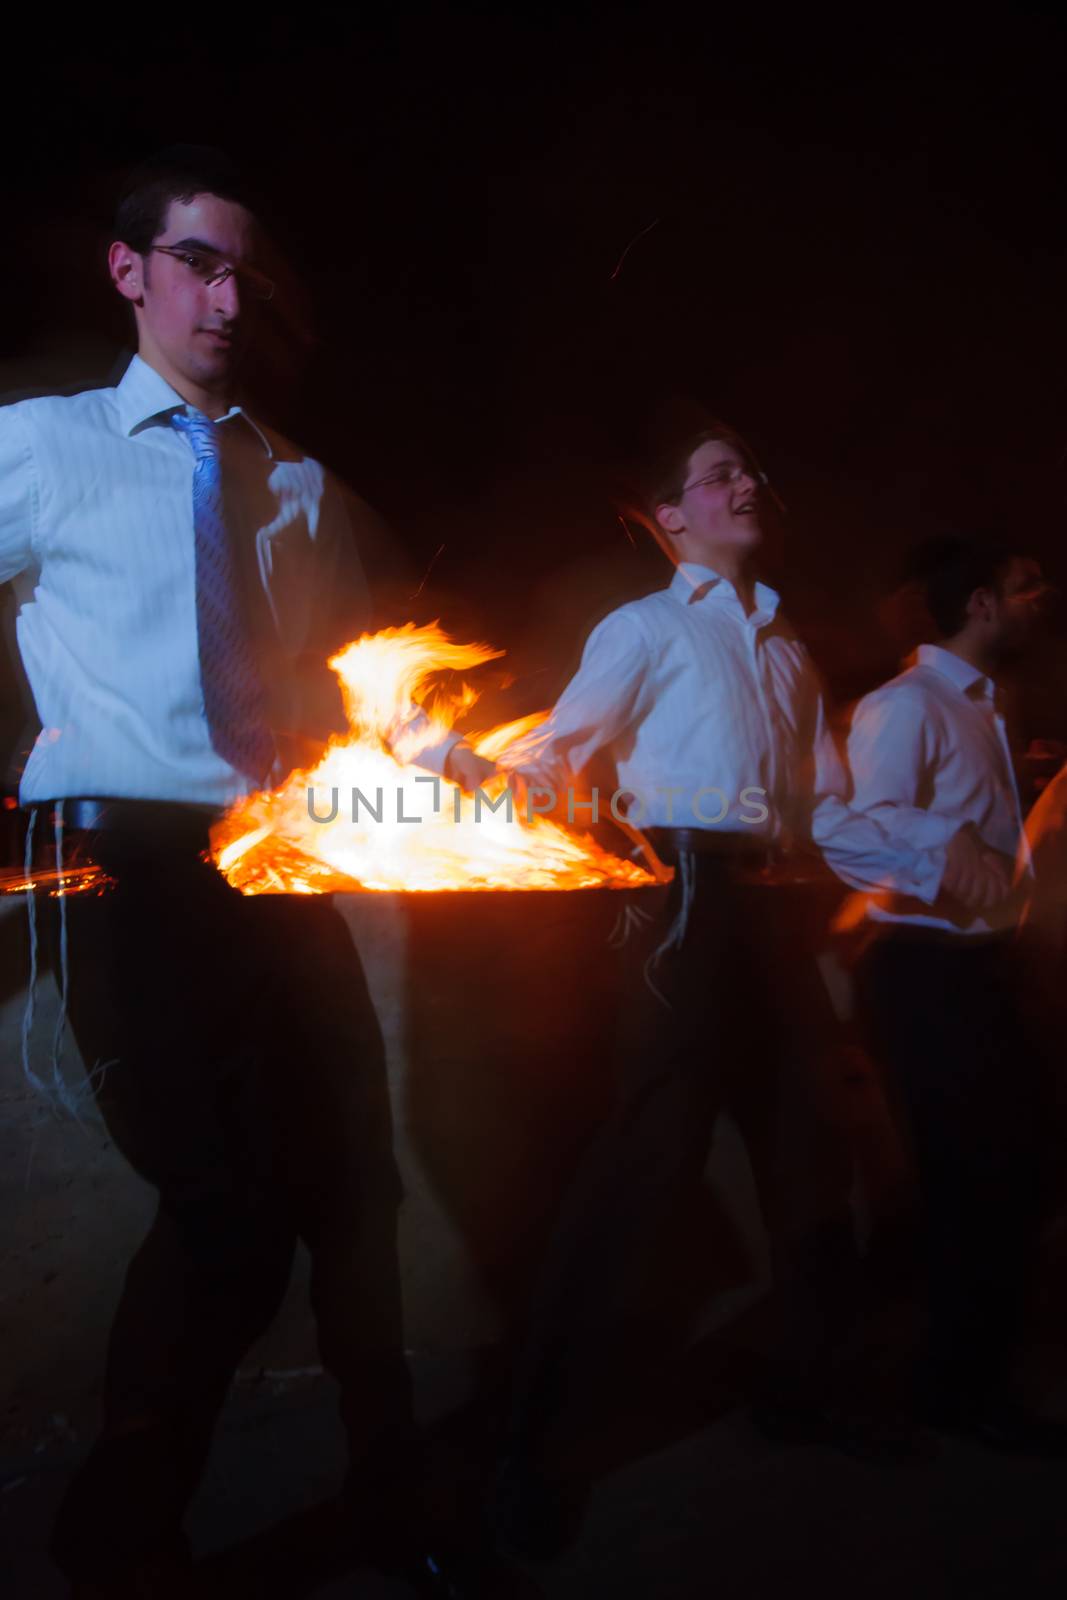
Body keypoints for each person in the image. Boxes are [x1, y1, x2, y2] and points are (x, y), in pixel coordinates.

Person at [0, 147, 484, 1597]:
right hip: (129, 870)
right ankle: (118, 1543)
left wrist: (435, 759)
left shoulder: (296, 481)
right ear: (129, 270)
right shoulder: (40, 444)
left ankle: (393, 1505)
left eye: (244, 271)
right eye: (199, 261)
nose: (227, 294)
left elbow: (344, 693)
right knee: (219, 1209)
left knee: (353, 1193)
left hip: (277, 865)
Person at [485, 424, 1009, 1557]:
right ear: (667, 515)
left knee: (808, 1144)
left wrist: (933, 850)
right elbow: (554, 755)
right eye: (716, 474)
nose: (744, 484)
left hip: (764, 903)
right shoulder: (641, 628)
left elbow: (820, 811)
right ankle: (525, 1452)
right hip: (675, 906)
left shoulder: (782, 653)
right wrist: (456, 764)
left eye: (749, 470)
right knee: (642, 1163)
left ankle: (802, 1388)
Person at [848, 536, 1065, 1450]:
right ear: (979, 604)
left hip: (976, 968)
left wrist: (1008, 787)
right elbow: (861, 826)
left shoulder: (984, 703)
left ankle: (958, 1379)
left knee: (1009, 1175)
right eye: (1023, 585)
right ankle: (945, 1392)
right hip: (923, 969)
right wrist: (951, 846)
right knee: (970, 1184)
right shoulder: (905, 706)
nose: (1040, 596)